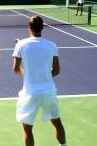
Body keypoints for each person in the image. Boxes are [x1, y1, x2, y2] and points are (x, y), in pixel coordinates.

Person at [12, 15, 66, 146]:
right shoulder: (52, 45)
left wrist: (31, 75)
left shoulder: (20, 45)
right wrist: (43, 76)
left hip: (30, 93)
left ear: (29, 28)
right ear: (42, 27)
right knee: (57, 123)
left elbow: (16, 69)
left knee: (27, 128)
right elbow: (57, 70)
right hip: (49, 92)